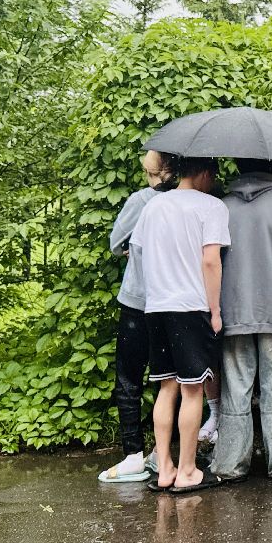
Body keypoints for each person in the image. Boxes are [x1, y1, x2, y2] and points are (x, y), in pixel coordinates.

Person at [131, 155, 230, 493]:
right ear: (203, 172)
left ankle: (165, 468)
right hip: (191, 308)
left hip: (156, 307)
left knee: (166, 387)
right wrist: (215, 310)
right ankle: (188, 470)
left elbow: (137, 251)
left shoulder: (154, 206)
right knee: (192, 391)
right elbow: (210, 260)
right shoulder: (211, 207)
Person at [209, 158, 272, 482]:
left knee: (236, 387)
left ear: (237, 166)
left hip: (233, 311)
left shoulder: (220, 208)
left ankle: (232, 464)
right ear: (270, 165)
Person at [98, 150, 173, 484]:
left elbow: (116, 244)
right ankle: (162, 452)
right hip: (171, 302)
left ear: (151, 171)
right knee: (165, 379)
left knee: (128, 379)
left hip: (136, 300)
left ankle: (132, 455)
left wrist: (131, 248)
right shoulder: (187, 200)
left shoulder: (140, 201)